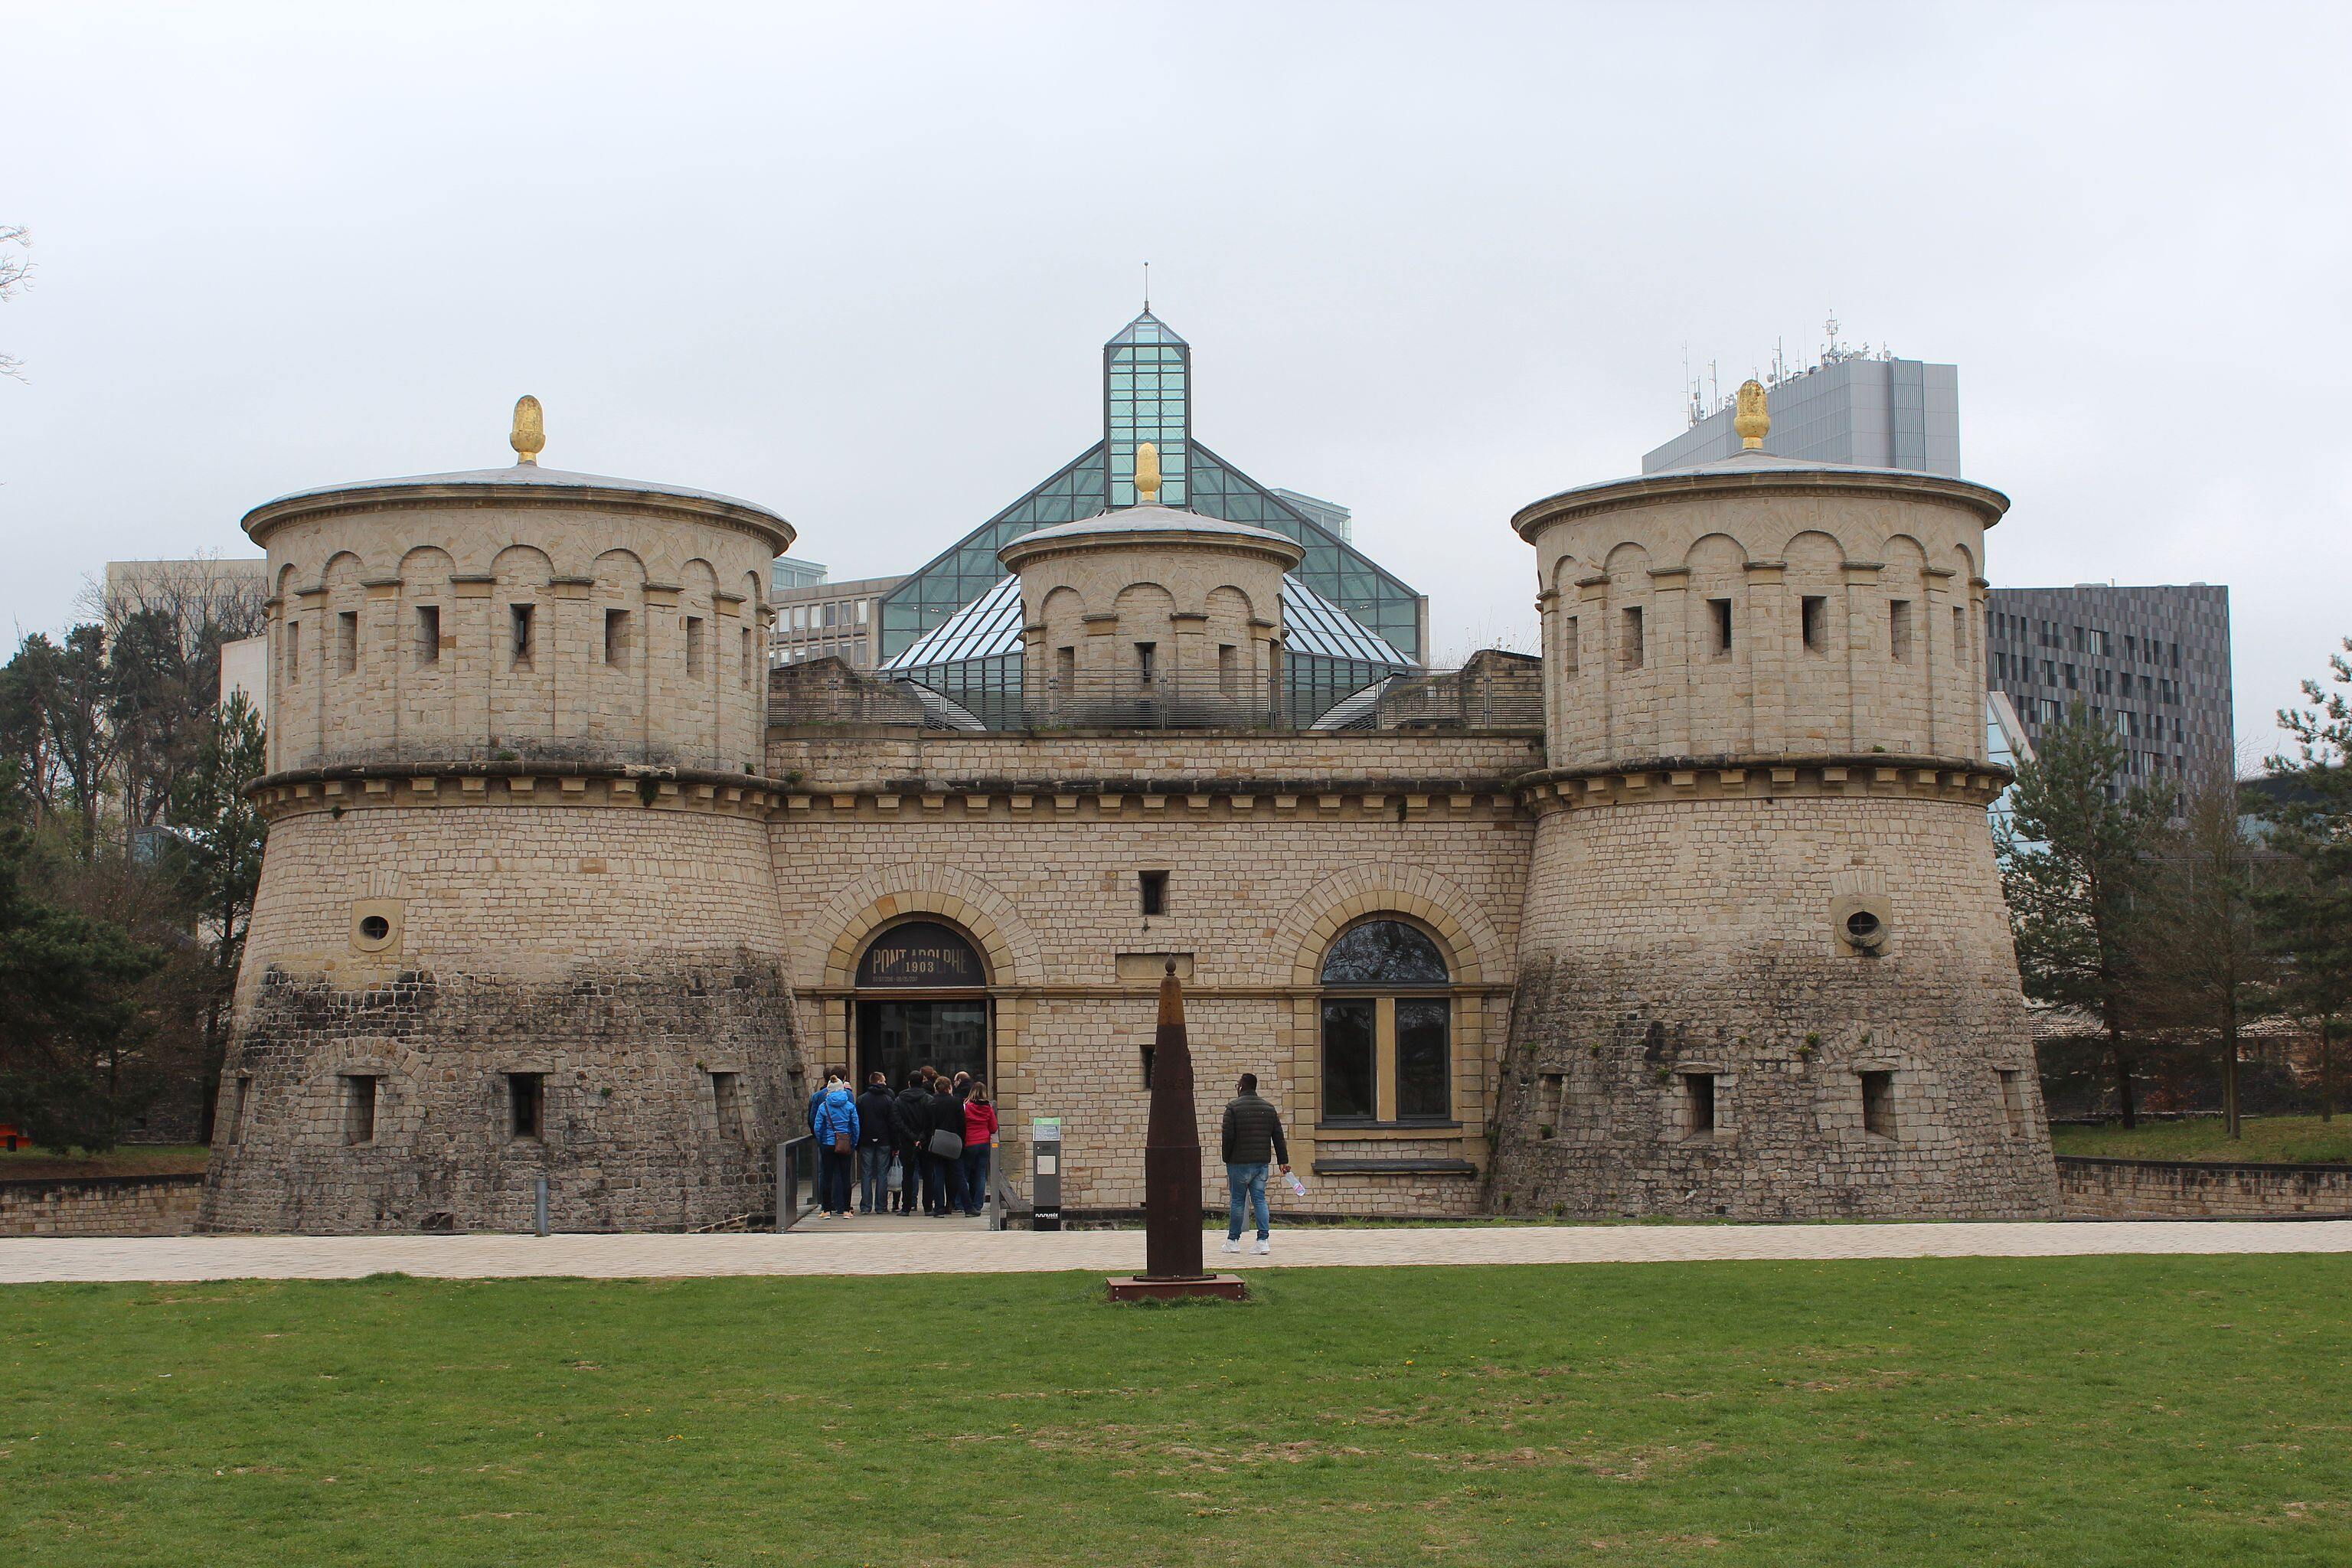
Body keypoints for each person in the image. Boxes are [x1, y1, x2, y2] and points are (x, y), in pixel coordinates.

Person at [1220, 1073, 1291, 1256]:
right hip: (1261, 1163)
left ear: (1241, 1087)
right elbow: (1278, 1136)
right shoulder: (1268, 1108)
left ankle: (1233, 1241)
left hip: (1238, 1162)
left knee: (1237, 1201)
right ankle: (1263, 1241)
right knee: (1260, 1200)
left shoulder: (1233, 1108)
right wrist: (1283, 1161)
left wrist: (1226, 1158)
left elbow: (1228, 1137)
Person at [810, 1071, 861, 1219]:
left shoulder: (824, 1107)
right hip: (845, 1144)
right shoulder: (849, 1106)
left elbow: (818, 1127)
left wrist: (822, 1141)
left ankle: (826, 1210)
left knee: (827, 1177)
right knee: (845, 1177)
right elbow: (855, 1126)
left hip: (828, 1143)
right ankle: (846, 1210)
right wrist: (853, 1142)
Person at [924, 1073, 969, 1217]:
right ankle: (968, 1207)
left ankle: (939, 1208)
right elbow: (962, 1124)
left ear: (936, 1088)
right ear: (949, 1087)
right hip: (953, 1142)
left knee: (938, 1176)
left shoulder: (931, 1103)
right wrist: (962, 1141)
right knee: (959, 1175)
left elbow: (927, 1125)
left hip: (937, 1142)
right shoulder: (956, 1102)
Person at [854, 1070, 896, 1216]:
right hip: (884, 1140)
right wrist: (895, 1143)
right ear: (879, 1082)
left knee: (866, 1173)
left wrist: (857, 1142)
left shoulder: (861, 1099)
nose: (885, 1083)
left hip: (866, 1140)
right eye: (884, 1081)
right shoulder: (888, 1100)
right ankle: (881, 1206)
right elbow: (892, 1123)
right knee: (882, 1173)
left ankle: (866, 1206)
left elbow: (857, 1122)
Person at [891, 1070, 929, 1215]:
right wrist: (920, 1138)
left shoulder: (899, 1100)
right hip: (924, 1142)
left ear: (909, 1083)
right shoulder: (928, 1099)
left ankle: (906, 1207)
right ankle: (928, 1207)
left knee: (907, 1175)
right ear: (923, 1082)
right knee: (927, 1175)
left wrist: (912, 1137)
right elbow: (930, 1122)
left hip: (906, 1142)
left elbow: (897, 1122)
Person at [959, 1080, 998, 1217]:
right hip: (984, 1143)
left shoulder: (966, 1106)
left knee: (964, 1175)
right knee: (981, 1175)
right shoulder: (988, 1108)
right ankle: (978, 1205)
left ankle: (966, 1204)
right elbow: (994, 1128)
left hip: (969, 1143)